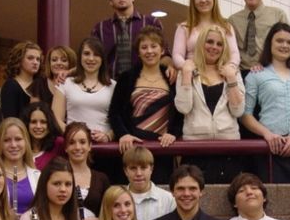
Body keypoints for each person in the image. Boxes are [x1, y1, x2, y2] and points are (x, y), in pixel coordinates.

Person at [241, 22, 290, 183]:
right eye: (279, 41)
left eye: (289, 42)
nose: (285, 45)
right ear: (270, 43)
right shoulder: (256, 75)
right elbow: (245, 114)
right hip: (270, 149)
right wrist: (267, 135)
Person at [109, 26, 181, 184]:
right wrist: (123, 134)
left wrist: (173, 133)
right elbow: (114, 113)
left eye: (154, 46)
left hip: (163, 149)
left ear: (162, 50)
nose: (149, 51)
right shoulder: (126, 78)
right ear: (138, 52)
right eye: (144, 47)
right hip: (133, 149)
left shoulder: (173, 78)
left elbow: (180, 112)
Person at [175, 25, 245, 183]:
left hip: (228, 149)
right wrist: (186, 74)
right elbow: (183, 107)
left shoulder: (232, 72)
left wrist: (232, 79)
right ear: (201, 43)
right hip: (195, 149)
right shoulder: (186, 70)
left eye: (219, 44)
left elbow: (238, 111)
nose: (214, 47)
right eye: (210, 42)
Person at [91, 0, 173, 80]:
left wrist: (168, 67)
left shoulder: (151, 22)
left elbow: (165, 54)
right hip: (110, 85)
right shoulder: (100, 28)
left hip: (143, 84)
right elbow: (91, 58)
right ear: (110, 2)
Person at [52, 37, 116, 143]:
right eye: (86, 53)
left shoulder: (114, 86)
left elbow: (121, 120)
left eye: (96, 54)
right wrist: (73, 134)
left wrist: (108, 136)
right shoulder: (65, 83)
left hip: (105, 148)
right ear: (80, 57)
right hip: (74, 146)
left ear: (102, 59)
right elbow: (55, 118)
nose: (91, 59)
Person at [228, 0, 288, 75]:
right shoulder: (232, 21)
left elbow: (286, 46)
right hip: (242, 74)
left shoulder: (278, 15)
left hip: (270, 71)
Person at [172, 0, 240, 70]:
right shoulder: (184, 27)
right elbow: (177, 55)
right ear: (193, 2)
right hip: (193, 76)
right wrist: (186, 67)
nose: (203, 0)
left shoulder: (226, 27)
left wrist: (230, 67)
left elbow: (234, 53)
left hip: (220, 76)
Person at [64, 122, 111, 220]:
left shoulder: (101, 179)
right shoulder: (57, 176)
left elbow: (110, 213)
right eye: (71, 143)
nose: (77, 147)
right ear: (65, 147)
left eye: (82, 142)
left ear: (89, 146)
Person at [0, 117, 40, 214]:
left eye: (18, 139)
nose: (13, 145)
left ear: (26, 142)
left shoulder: (37, 175)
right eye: (7, 140)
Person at [122, 146, 175, 220]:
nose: (138, 173)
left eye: (143, 168)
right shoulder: (116, 199)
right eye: (133, 168)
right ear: (125, 171)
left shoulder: (168, 200)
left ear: (151, 169)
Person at [1, 41, 42, 119]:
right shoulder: (11, 86)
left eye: (38, 59)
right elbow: (10, 118)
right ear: (19, 60)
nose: (35, 62)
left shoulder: (41, 84)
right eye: (30, 58)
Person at [21, 102, 64, 170]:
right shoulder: (20, 146)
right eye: (34, 122)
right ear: (27, 124)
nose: (38, 126)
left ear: (49, 124)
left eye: (43, 122)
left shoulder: (59, 144)